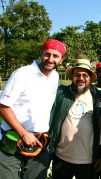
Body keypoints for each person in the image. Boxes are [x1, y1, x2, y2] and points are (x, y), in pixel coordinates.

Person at [0, 39, 66, 179]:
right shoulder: (22, 74)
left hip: (40, 142)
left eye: (55, 56)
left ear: (62, 59)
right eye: (47, 54)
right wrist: (23, 133)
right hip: (13, 139)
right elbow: (3, 106)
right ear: (41, 54)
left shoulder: (55, 77)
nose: (50, 59)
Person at [48, 58, 101, 179]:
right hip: (61, 157)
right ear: (72, 77)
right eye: (77, 75)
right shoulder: (61, 94)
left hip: (88, 161)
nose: (80, 78)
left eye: (85, 75)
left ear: (90, 78)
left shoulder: (99, 99)